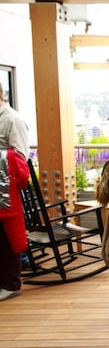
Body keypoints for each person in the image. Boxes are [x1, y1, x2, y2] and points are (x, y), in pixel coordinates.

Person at [0, 83, 30, 301]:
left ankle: (11, 282)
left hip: (5, 187)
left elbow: (19, 158)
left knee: (6, 234)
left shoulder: (12, 120)